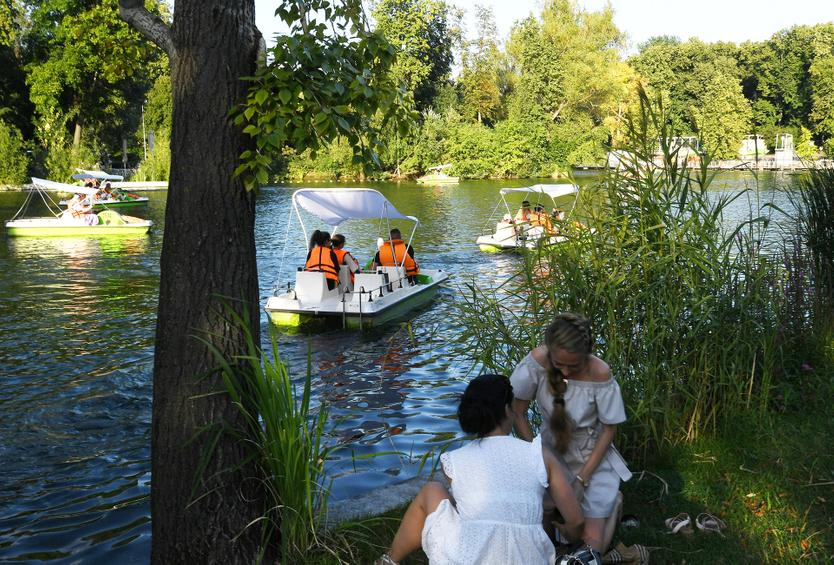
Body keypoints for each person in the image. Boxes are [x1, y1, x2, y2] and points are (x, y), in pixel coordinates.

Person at [375, 374, 584, 565]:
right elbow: (576, 521)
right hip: (528, 558)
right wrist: (569, 534)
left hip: (471, 558)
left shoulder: (455, 461)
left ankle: (389, 560)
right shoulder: (539, 453)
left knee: (432, 490)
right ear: (506, 410)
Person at [510, 313, 631, 559]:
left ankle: (612, 503)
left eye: (573, 366)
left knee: (589, 550)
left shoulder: (600, 372)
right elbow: (518, 413)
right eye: (559, 363)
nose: (565, 370)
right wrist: (536, 459)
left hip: (592, 458)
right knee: (544, 534)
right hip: (550, 452)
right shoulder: (536, 363)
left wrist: (581, 481)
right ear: (549, 351)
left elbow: (609, 430)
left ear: (587, 354)